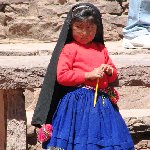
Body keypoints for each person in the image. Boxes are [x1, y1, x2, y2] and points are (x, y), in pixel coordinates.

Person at [32, 3, 134, 150]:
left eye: (90, 28)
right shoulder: (70, 49)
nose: (85, 33)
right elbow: (62, 76)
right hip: (77, 104)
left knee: (101, 137)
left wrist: (109, 71)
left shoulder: (101, 49)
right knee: (79, 137)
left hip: (102, 104)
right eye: (79, 27)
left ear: (97, 28)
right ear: (71, 27)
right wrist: (88, 75)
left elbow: (113, 75)